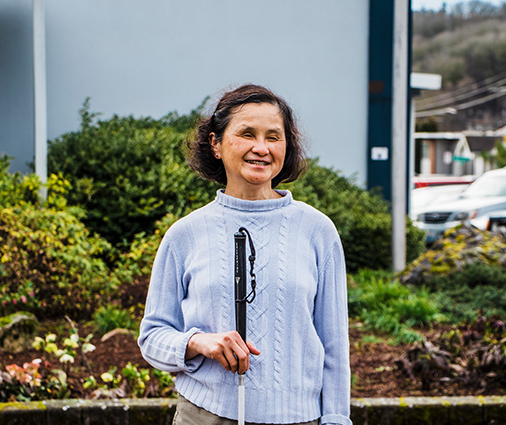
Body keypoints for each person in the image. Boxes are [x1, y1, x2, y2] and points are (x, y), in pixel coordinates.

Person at [138, 84, 351, 425]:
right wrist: (198, 342)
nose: (261, 148)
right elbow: (152, 337)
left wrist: (337, 419)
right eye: (247, 134)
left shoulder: (317, 230)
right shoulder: (185, 234)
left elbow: (335, 345)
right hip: (205, 415)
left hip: (299, 419)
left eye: (273, 137)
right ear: (216, 144)